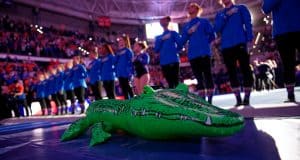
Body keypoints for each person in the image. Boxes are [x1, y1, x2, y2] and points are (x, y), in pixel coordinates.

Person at [215, 0, 254, 106]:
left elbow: (248, 23)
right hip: (226, 46)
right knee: (231, 73)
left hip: (240, 42)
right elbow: (217, 28)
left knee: (246, 69)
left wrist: (250, 39)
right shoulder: (220, 14)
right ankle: (238, 99)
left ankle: (247, 97)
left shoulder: (241, 8)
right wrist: (225, 16)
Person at [262, 0, 300, 102]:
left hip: (298, 27)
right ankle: (290, 94)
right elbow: (265, 8)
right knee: (287, 64)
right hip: (282, 32)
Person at [181, 3, 216, 104]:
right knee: (199, 78)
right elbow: (183, 40)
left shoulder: (204, 22)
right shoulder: (186, 26)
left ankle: (210, 100)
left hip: (204, 53)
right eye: (188, 7)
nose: (189, 8)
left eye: (191, 7)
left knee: (208, 75)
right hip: (193, 55)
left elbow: (212, 35)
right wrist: (188, 33)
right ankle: (203, 101)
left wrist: (204, 43)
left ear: (197, 9)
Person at [154, 16, 182, 88]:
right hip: (164, 62)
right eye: (161, 20)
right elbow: (156, 49)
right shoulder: (158, 37)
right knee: (169, 82)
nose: (162, 21)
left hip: (174, 60)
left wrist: (175, 52)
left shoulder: (173, 33)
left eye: (164, 20)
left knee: (176, 81)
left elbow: (180, 44)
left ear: (168, 21)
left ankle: (178, 98)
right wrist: (162, 39)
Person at [115, 34, 134, 99]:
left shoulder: (128, 50)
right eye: (119, 40)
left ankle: (134, 102)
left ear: (125, 41)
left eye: (121, 40)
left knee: (128, 88)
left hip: (126, 73)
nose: (120, 41)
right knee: (124, 90)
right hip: (120, 73)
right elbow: (115, 62)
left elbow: (132, 62)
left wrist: (130, 73)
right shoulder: (118, 52)